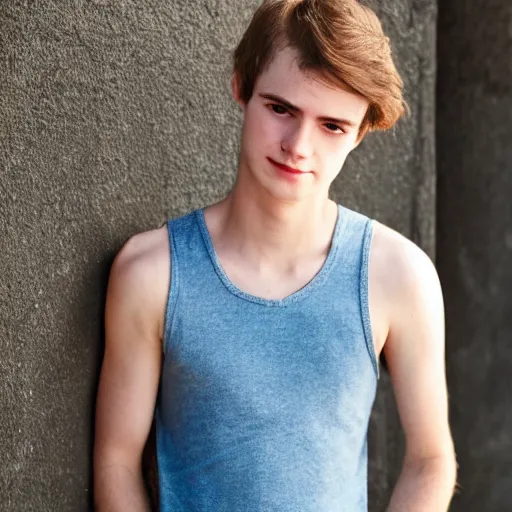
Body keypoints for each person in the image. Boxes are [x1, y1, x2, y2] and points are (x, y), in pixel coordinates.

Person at [93, 0, 457, 510]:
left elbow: (431, 460)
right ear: (241, 86)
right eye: (281, 109)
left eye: (331, 125)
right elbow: (116, 462)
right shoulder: (153, 273)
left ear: (360, 132)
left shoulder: (399, 276)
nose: (298, 146)